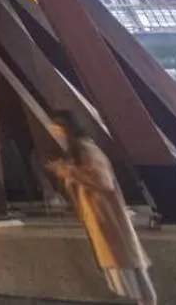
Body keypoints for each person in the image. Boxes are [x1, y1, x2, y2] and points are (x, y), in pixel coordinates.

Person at [44, 109, 156, 305]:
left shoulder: (87, 149)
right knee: (128, 269)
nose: (56, 136)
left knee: (133, 268)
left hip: (109, 218)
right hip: (101, 219)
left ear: (68, 130)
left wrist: (67, 171)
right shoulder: (78, 151)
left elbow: (103, 182)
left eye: (58, 131)